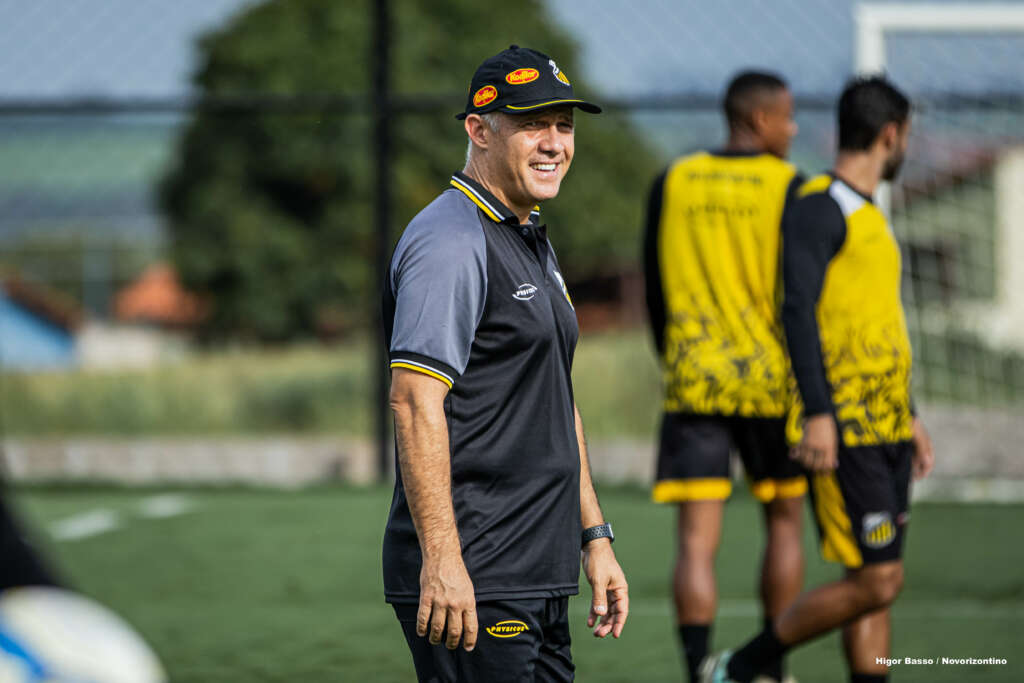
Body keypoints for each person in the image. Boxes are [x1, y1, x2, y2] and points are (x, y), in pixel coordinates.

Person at [381, 45, 628, 682]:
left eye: (565, 124)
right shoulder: (451, 240)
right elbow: (414, 401)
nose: (554, 143)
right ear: (479, 130)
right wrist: (441, 558)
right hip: (478, 571)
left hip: (536, 569)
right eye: (531, 123)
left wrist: (593, 537)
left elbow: (552, 394)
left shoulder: (526, 232)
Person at [700, 75, 935, 683]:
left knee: (873, 583)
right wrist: (820, 413)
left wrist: (908, 413)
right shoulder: (818, 207)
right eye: (907, 135)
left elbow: (878, 323)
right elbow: (796, 311)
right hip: (847, 427)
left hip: (887, 425)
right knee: (881, 577)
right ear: (892, 134)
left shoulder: (871, 217)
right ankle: (742, 667)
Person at [642, 71, 804, 683]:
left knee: (695, 541)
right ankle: (775, 668)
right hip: (770, 383)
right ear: (760, 120)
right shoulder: (792, 185)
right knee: (785, 522)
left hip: (694, 380)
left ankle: (697, 671)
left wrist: (675, 357)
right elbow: (803, 292)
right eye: (787, 118)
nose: (791, 129)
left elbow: (654, 288)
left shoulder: (674, 179)